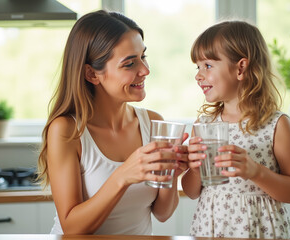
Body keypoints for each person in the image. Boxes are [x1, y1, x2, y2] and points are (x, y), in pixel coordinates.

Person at [37, 10, 188, 235]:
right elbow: (71, 227)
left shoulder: (153, 122)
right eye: (129, 64)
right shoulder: (67, 130)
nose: (145, 70)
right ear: (92, 74)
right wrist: (122, 176)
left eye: (143, 57)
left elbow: (162, 214)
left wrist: (172, 174)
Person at [181, 20, 290, 239]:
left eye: (208, 65)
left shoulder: (276, 124)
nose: (198, 75)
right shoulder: (204, 125)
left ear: (240, 67)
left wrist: (255, 172)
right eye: (197, 67)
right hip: (211, 229)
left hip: (261, 230)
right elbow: (192, 192)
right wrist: (193, 169)